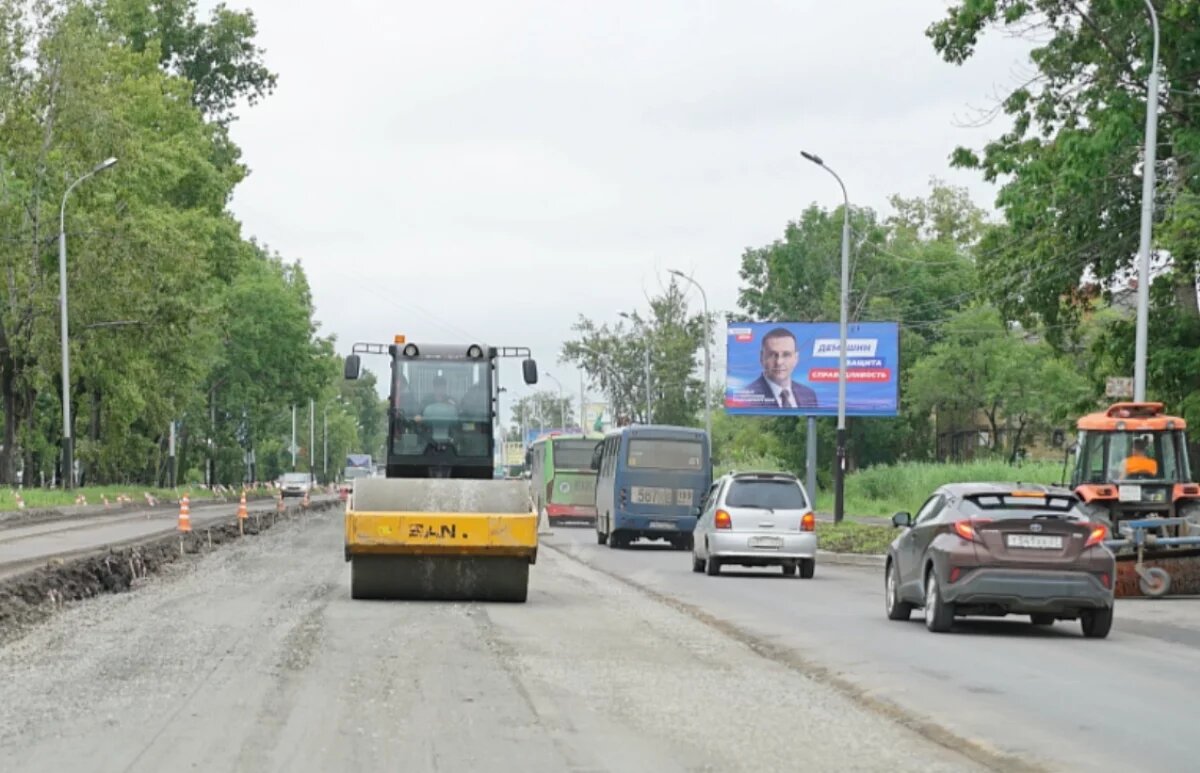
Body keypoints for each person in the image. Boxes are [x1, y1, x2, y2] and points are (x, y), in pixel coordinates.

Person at [736, 327, 818, 408]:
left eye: (786, 354)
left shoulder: (808, 394)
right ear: (761, 357)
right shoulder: (745, 398)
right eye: (772, 355)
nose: (779, 362)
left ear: (796, 358)